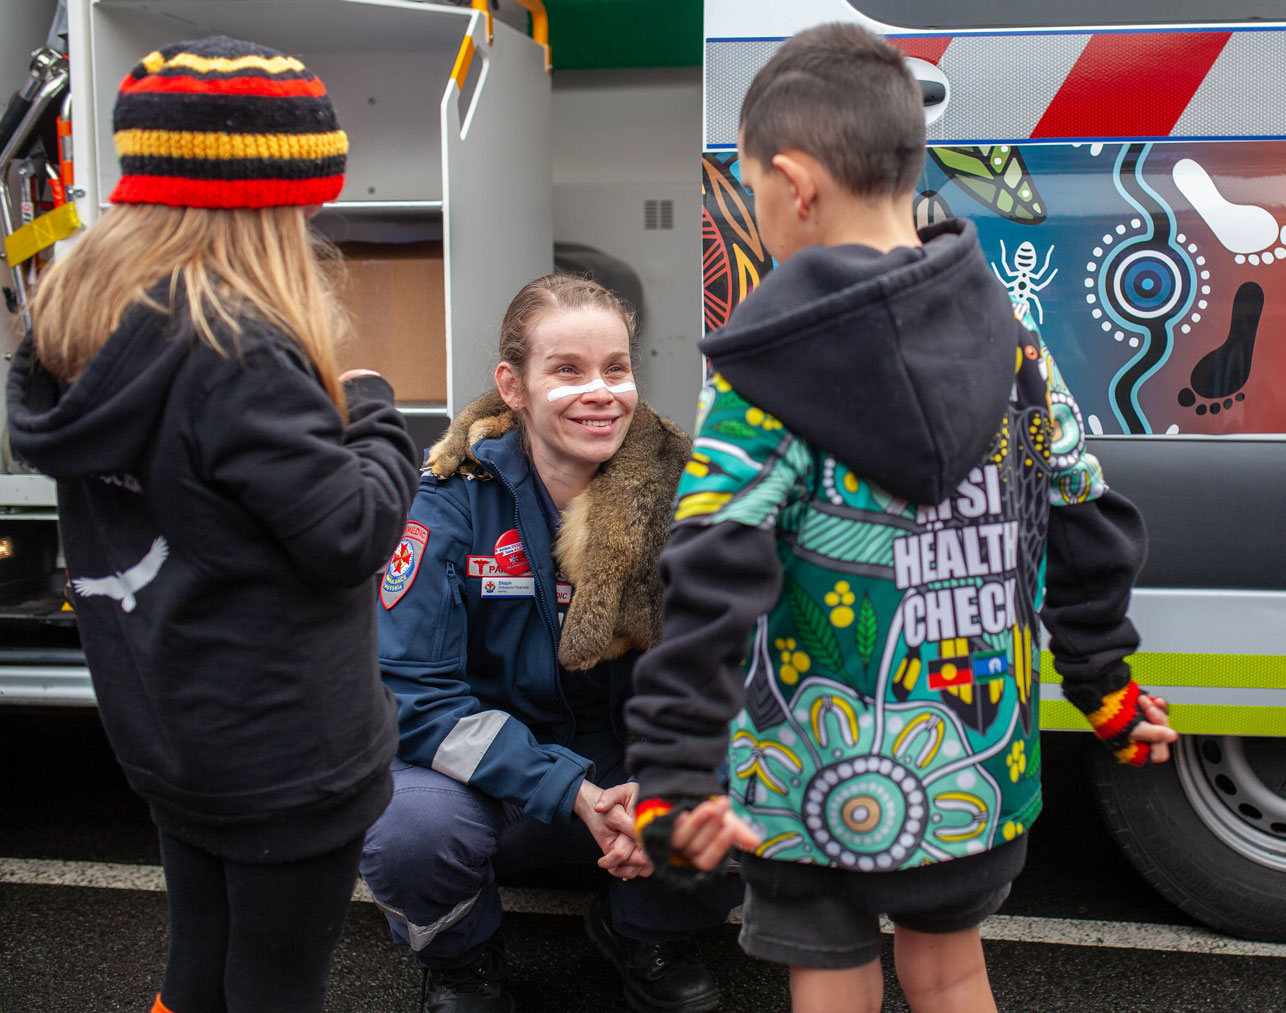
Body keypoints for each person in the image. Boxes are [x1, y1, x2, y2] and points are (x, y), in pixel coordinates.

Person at [625, 22, 1178, 1013]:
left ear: (796, 184)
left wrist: (672, 773)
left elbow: (710, 572)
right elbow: (1088, 523)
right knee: (951, 967)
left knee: (829, 976)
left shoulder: (764, 376)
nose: (756, 214)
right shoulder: (1016, 344)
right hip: (973, 764)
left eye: (751, 191)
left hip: (806, 773)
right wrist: (1106, 686)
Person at [6, 36, 418, 1013]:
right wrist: (373, 408)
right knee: (276, 986)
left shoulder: (88, 325)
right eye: (305, 197)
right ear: (262, 201)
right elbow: (351, 534)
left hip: (174, 730)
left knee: (198, 966)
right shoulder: (235, 350)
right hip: (285, 752)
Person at [360, 274, 740, 1013]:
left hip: (631, 773)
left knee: (765, 778)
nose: (599, 391)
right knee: (407, 829)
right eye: (567, 369)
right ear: (514, 385)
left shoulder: (687, 496)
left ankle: (642, 928)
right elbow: (411, 696)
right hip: (494, 787)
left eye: (616, 368)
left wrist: (670, 779)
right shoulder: (448, 500)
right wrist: (565, 786)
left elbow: (721, 674)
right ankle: (463, 958)